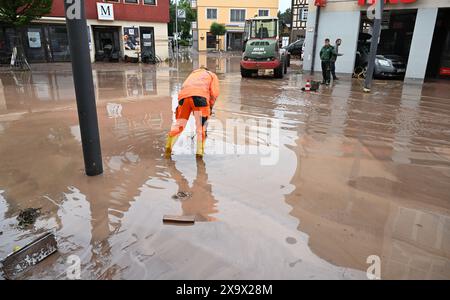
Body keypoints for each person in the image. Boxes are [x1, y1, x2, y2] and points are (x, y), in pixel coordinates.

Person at [165, 67, 220, 157]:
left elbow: (183, 89)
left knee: (179, 125)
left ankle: (168, 148)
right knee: (200, 128)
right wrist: (210, 107)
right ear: (207, 70)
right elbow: (214, 93)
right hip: (200, 100)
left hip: (183, 99)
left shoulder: (192, 74)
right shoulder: (211, 75)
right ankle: (199, 154)